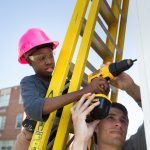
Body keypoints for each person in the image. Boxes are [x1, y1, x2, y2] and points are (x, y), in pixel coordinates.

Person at [13, 28, 110, 150]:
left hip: (58, 141)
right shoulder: (30, 82)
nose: (49, 62)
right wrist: (84, 91)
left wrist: (98, 95)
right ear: (29, 61)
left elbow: (82, 110)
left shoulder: (64, 83)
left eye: (50, 56)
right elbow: (34, 107)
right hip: (31, 141)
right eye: (42, 58)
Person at [71, 72, 147, 150]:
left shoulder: (137, 145)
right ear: (96, 126)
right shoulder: (80, 145)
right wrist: (80, 140)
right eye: (110, 118)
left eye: (123, 120)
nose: (119, 124)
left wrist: (131, 87)